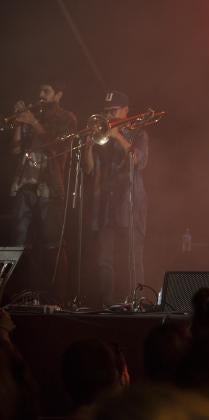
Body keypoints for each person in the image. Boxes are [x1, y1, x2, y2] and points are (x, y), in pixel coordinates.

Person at [7, 82, 76, 294]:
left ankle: (56, 296)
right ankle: (18, 293)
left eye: (46, 91)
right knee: (19, 242)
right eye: (40, 90)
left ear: (59, 94)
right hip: (26, 183)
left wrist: (33, 122)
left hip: (50, 186)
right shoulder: (33, 114)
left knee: (51, 243)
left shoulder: (66, 118)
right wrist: (19, 123)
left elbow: (57, 146)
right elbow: (15, 149)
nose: (40, 95)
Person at [84, 91, 148, 306]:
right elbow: (89, 170)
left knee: (132, 259)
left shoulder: (139, 134)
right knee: (104, 261)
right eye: (106, 111)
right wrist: (88, 147)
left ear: (125, 110)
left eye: (114, 110)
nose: (109, 115)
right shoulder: (102, 139)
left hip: (130, 204)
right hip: (105, 206)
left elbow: (139, 161)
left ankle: (136, 301)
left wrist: (118, 136)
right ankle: (106, 303)